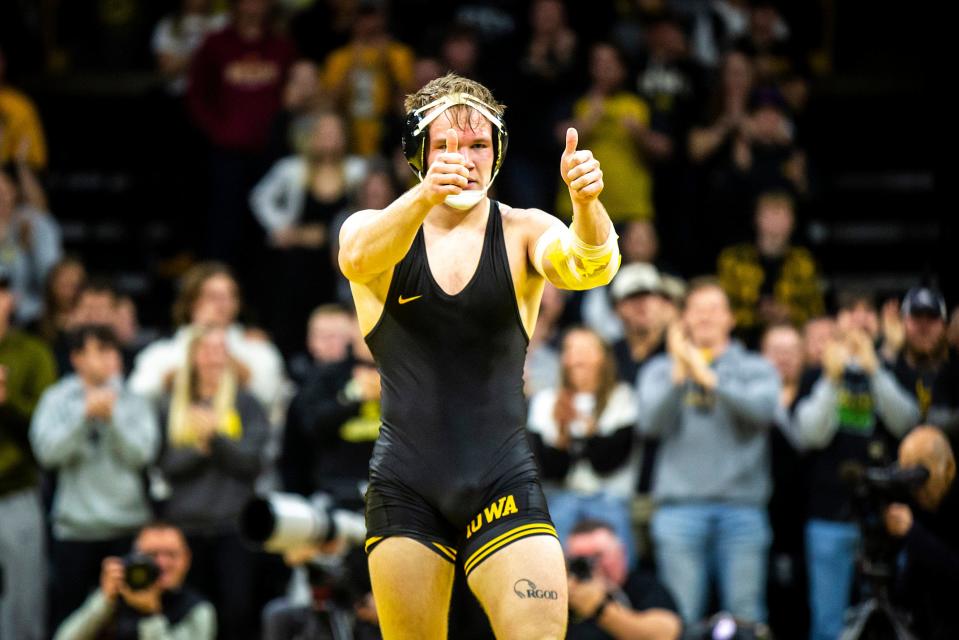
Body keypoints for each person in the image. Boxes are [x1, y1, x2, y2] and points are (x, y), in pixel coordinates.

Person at [337, 73, 620, 638]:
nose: (461, 159)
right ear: (418, 154)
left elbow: (591, 266)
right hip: (407, 487)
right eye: (443, 145)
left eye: (476, 145)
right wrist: (424, 195)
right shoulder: (376, 229)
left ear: (498, 153)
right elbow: (356, 259)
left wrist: (587, 206)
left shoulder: (521, 230)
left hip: (502, 481)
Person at [637, 277, 780, 624]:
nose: (705, 317)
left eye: (714, 309)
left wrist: (709, 377)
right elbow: (649, 425)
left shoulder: (755, 367)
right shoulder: (660, 369)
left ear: (731, 319)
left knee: (745, 618)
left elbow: (763, 412)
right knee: (681, 617)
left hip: (742, 510)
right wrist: (679, 374)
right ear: (684, 318)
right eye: (697, 310)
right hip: (679, 511)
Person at [791, 292, 920, 640]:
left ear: (878, 322)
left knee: (894, 621)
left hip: (887, 518)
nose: (859, 320)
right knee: (828, 625)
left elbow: (907, 423)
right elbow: (808, 434)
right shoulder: (816, 374)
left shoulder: (891, 370)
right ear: (836, 322)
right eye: (850, 312)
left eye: (867, 312)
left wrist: (875, 372)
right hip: (829, 513)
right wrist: (833, 380)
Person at [30, 324, 160, 628]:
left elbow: (143, 454)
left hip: (127, 525)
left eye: (110, 350)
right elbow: (46, 454)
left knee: (129, 619)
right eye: (96, 351)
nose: (105, 359)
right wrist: (83, 416)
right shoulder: (57, 399)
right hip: (75, 528)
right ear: (76, 358)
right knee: (75, 619)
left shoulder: (134, 399)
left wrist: (112, 419)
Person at [156, 326, 270, 640]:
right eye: (205, 349)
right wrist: (198, 447)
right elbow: (165, 466)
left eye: (221, 350)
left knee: (237, 612)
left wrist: (216, 439)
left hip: (234, 526)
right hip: (186, 528)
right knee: (193, 615)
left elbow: (251, 463)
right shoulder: (170, 405)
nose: (213, 358)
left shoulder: (248, 404)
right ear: (192, 356)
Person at [527, 328, 641, 566]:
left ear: (603, 357)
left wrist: (588, 429)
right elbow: (549, 471)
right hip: (560, 497)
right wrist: (561, 434)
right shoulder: (545, 402)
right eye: (570, 349)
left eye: (586, 350)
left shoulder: (622, 399)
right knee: (549, 564)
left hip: (609, 497)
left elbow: (608, 464)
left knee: (618, 564)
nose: (578, 357)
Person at [128, 261, 284, 412]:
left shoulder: (257, 349)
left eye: (230, 296)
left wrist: (230, 363)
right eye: (213, 297)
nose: (223, 304)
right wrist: (173, 378)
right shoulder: (160, 353)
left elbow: (271, 397)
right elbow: (136, 400)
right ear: (191, 302)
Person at [0, 269, 57, 640]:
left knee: (24, 599)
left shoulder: (33, 352)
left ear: (11, 300)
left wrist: (4, 404)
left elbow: (45, 430)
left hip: (16, 490)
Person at [54, 521, 216, 640]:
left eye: (171, 555)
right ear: (134, 557)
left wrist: (151, 614)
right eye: (152, 555)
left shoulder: (197, 609)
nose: (162, 564)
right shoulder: (116, 595)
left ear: (186, 559)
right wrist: (104, 600)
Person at [717, 190, 824, 346]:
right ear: (756, 219)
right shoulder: (733, 259)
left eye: (782, 215)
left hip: (793, 339)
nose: (776, 221)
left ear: (792, 221)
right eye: (770, 214)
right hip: (740, 339)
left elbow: (816, 310)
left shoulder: (804, 261)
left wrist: (789, 313)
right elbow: (724, 306)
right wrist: (757, 315)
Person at [884, 426, 959, 639]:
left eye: (921, 474)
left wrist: (913, 534)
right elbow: (904, 592)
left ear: (949, 469)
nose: (916, 487)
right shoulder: (914, 505)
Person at [565, 519, 682, 640]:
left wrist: (599, 607)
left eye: (598, 555)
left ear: (621, 553)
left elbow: (666, 634)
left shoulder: (643, 586)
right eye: (580, 560)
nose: (591, 566)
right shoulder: (563, 595)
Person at [882, 287, 959, 430]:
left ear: (944, 325)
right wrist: (890, 349)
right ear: (902, 323)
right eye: (916, 317)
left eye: (932, 318)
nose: (924, 326)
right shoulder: (890, 366)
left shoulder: (954, 371)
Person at [0, 162, 62, 325]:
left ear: (14, 192)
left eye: (4, 192)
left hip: (30, 314)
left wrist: (29, 248)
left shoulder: (29, 222)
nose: (1, 199)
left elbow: (51, 276)